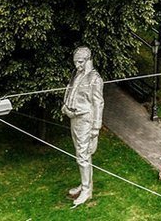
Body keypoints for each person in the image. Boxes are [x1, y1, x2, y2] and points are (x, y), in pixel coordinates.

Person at [61, 45, 104, 208]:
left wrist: (96, 128)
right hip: (74, 118)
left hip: (86, 120)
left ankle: (87, 190)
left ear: (87, 60)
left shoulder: (95, 78)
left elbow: (98, 103)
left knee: (83, 155)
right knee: (81, 154)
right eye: (75, 62)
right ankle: (85, 184)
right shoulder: (76, 74)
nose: (77, 65)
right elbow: (70, 91)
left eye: (79, 62)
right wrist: (66, 106)